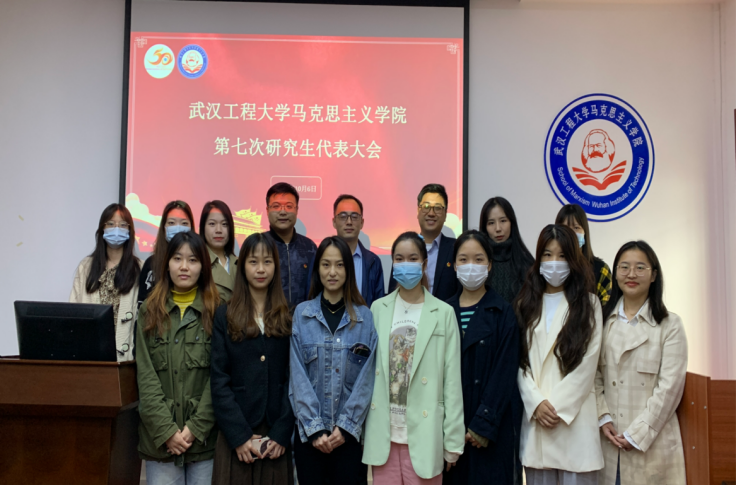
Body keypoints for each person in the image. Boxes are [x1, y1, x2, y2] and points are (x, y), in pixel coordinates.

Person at [363, 231, 465, 484]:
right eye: (399, 259)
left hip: (425, 435)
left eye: (412, 258)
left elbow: (452, 381)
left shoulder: (443, 313)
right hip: (383, 435)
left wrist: (453, 441)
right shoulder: (377, 309)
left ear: (424, 263)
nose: (405, 264)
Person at [516, 224, 603, 484]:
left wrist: (556, 406)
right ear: (538, 259)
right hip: (537, 422)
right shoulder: (525, 303)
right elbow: (518, 361)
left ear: (573, 260)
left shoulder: (589, 304)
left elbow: (588, 364)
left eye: (562, 255)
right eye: (548, 254)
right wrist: (536, 403)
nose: (554, 262)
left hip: (573, 423)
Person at [596, 241, 687, 485]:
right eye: (624, 267)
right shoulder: (602, 321)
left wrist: (637, 434)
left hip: (652, 446)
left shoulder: (670, 325)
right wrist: (602, 417)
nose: (631, 274)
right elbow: (593, 376)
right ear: (616, 273)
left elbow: (669, 389)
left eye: (640, 268)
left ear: (654, 275)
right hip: (607, 441)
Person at [290, 236, 377, 485]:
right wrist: (315, 428)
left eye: (339, 265)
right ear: (317, 269)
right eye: (326, 264)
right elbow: (297, 377)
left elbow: (367, 379)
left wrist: (346, 426)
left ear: (348, 270)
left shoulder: (365, 318)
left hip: (348, 439)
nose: (332, 272)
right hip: (310, 440)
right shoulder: (302, 314)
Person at [135, 232, 220, 485]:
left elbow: (219, 378)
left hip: (204, 442)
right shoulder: (149, 311)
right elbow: (146, 377)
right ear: (166, 264)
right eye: (177, 258)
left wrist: (196, 428)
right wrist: (167, 431)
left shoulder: (217, 311)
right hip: (161, 443)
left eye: (192, 260)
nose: (184, 266)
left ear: (203, 266)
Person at [210, 233, 295, 485]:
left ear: (275, 267)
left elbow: (294, 379)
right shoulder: (225, 315)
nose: (260, 269)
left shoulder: (288, 316)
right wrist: (239, 436)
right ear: (242, 266)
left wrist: (282, 433)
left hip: (275, 438)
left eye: (267, 262)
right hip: (236, 435)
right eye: (253, 262)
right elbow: (219, 380)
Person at [444, 230, 521, 485]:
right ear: (455, 265)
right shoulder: (442, 311)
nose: (471, 266)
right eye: (463, 259)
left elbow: (505, 372)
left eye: (478, 259)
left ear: (489, 265)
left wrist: (483, 424)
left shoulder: (503, 312)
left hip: (490, 431)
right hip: (450, 432)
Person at [70, 203, 142, 361]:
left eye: (123, 225)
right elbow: (73, 313)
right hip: (90, 358)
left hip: (126, 361)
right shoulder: (86, 266)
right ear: (102, 229)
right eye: (110, 224)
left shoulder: (139, 269)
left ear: (130, 231)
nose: (116, 229)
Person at [388, 184, 458, 301]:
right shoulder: (404, 247)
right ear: (418, 211)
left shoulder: (455, 248)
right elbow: (393, 290)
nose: (431, 213)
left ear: (445, 214)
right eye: (426, 206)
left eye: (437, 208)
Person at [265, 182, 317, 310]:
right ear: (267, 210)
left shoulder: (310, 247)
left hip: (304, 319)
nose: (283, 212)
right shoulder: (258, 245)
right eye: (276, 206)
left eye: (289, 206)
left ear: (297, 210)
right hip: (266, 319)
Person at [138, 200, 196, 307]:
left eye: (184, 223)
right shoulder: (151, 264)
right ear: (164, 227)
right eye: (171, 223)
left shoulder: (200, 262)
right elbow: (142, 305)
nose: (177, 228)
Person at [332, 194, 385, 307]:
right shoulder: (322, 259)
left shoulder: (373, 262)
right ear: (334, 222)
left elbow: (379, 307)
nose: (349, 222)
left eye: (354, 216)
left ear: (362, 223)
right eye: (343, 216)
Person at [479, 197, 534, 304]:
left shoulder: (527, 263)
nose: (498, 228)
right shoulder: (478, 265)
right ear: (484, 227)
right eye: (491, 223)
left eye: (503, 221)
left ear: (512, 223)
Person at [555, 204, 612, 306]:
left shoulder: (601, 270)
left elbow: (606, 311)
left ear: (585, 232)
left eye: (576, 227)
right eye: (565, 228)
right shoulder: (550, 267)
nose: (571, 233)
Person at [200, 200, 237, 302]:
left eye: (224, 224)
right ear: (203, 228)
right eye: (212, 224)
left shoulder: (240, 263)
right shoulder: (197, 263)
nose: (219, 230)